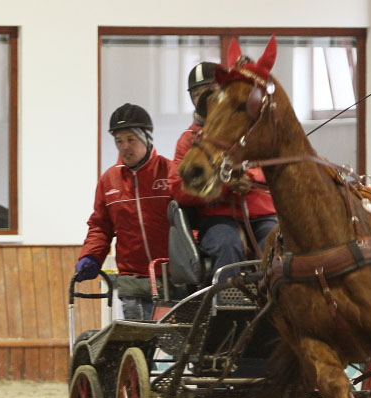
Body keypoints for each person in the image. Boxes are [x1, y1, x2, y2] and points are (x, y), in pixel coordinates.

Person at [75, 103, 182, 320]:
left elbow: (191, 222)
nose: (125, 147)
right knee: (139, 347)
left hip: (174, 279)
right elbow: (100, 226)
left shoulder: (172, 173)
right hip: (132, 282)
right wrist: (91, 256)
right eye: (119, 141)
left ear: (146, 139)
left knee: (176, 348)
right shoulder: (109, 180)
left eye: (131, 139)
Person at [172, 61, 278, 281]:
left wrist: (250, 177)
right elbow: (179, 188)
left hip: (261, 214)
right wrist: (225, 186)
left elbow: (275, 165)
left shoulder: (249, 129)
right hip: (218, 218)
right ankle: (226, 307)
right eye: (196, 94)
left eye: (208, 91)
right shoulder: (188, 141)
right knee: (227, 244)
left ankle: (278, 306)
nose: (203, 98)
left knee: (277, 245)